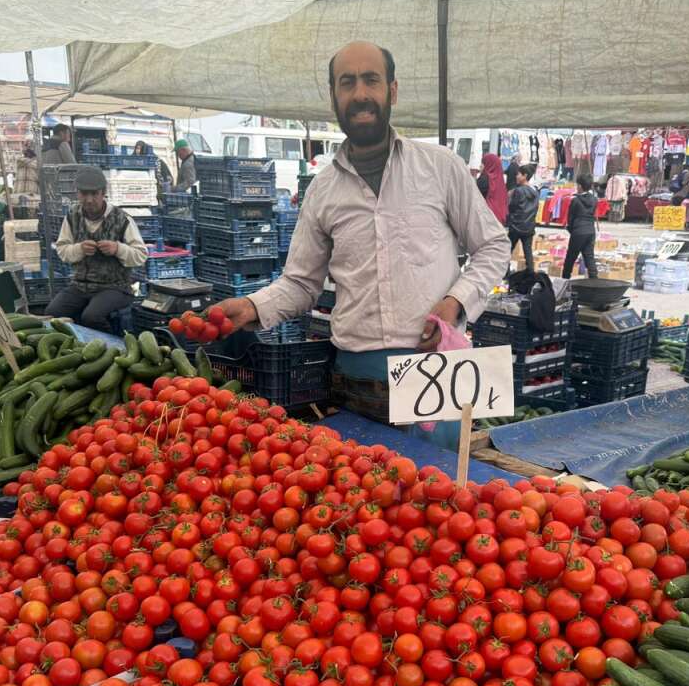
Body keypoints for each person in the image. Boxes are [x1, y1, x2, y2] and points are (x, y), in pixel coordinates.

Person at [206, 40, 509, 449]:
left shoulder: (441, 168)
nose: (360, 93)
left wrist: (456, 301)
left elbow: (493, 246)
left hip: (434, 375)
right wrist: (252, 306)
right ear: (333, 96)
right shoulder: (323, 190)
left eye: (371, 80)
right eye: (347, 82)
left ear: (392, 91)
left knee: (439, 484)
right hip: (356, 381)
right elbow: (301, 283)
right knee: (361, 486)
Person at [45, 166, 148, 329]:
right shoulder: (72, 217)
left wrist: (118, 249)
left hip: (115, 287)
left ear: (103, 193)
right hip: (80, 285)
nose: (89, 200)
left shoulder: (122, 219)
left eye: (94, 194)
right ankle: (74, 342)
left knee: (92, 316)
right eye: (84, 194)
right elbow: (62, 250)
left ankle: (112, 343)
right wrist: (79, 249)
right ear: (77, 193)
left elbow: (141, 255)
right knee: (53, 313)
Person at [562, 173, 598, 279]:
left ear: (580, 186)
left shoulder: (575, 200)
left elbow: (570, 218)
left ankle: (565, 279)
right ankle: (594, 280)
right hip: (590, 231)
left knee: (570, 258)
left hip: (578, 231)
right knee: (589, 257)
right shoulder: (594, 200)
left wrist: (571, 229)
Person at [507, 165, 539, 273]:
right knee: (528, 252)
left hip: (516, 225)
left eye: (518, 174)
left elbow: (512, 207)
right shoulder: (535, 192)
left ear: (525, 175)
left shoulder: (518, 191)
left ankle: (505, 272)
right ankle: (530, 273)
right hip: (529, 226)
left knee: (508, 250)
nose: (516, 176)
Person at [476, 152, 507, 224]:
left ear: (489, 164)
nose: (480, 166)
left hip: (485, 217)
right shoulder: (500, 179)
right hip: (498, 217)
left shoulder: (484, 179)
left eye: (483, 163)